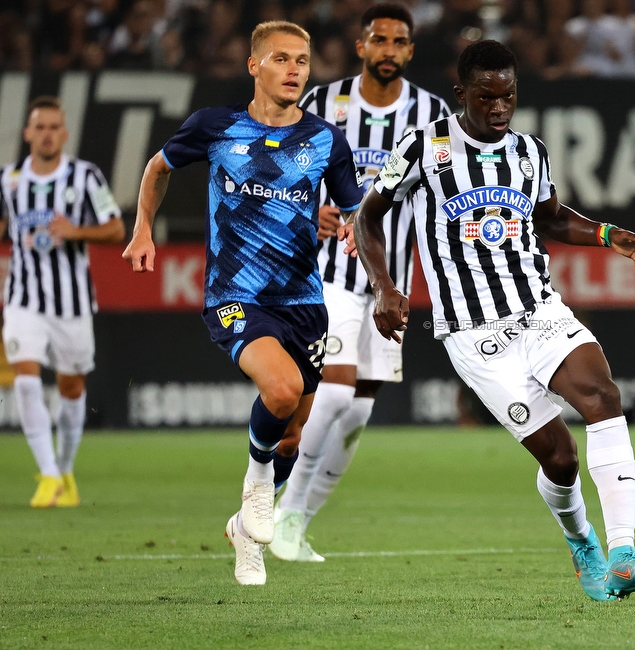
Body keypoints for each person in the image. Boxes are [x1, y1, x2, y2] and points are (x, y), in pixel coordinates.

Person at [353, 40, 635, 602]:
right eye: (487, 98)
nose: (500, 108)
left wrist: (606, 234)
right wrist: (385, 287)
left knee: (603, 396)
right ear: (462, 95)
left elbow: (550, 217)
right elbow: (368, 217)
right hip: (474, 336)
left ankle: (625, 552)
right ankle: (583, 544)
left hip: (540, 310)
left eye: (509, 97)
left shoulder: (530, 152)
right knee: (561, 457)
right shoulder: (425, 149)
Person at [122, 21, 363, 586]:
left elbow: (354, 208)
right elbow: (158, 167)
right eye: (281, 59)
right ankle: (256, 489)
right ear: (254, 65)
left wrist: (354, 228)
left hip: (304, 299)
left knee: (296, 434)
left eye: (302, 60)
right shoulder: (215, 126)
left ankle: (241, 529)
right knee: (278, 390)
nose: (295, 69)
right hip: (236, 295)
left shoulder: (326, 139)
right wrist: (142, 228)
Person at [270, 2, 451, 563]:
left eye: (399, 42)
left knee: (358, 409)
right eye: (379, 40)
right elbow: (275, 173)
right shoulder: (323, 103)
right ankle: (273, 512)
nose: (389, 51)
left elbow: (446, 194)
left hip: (391, 282)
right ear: (361, 46)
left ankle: (295, 521)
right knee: (338, 388)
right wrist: (307, 211)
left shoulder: (432, 114)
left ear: (410, 51)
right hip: (328, 273)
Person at [0, 96, 125, 509]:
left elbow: (116, 228)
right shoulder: (8, 180)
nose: (48, 134)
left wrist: (75, 232)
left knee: (72, 388)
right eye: (41, 127)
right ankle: (48, 474)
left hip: (71, 304)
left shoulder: (85, 177)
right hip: (23, 298)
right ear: (28, 133)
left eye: (55, 127)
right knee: (25, 376)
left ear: (64, 133)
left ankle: (65, 470)